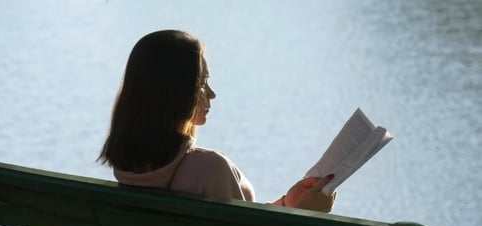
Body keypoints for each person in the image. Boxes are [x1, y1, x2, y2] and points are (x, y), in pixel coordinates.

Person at [98, 30, 336, 212]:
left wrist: (286, 204)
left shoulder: (129, 169)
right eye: (202, 83)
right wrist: (306, 213)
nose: (212, 94)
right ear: (173, 91)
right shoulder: (210, 168)